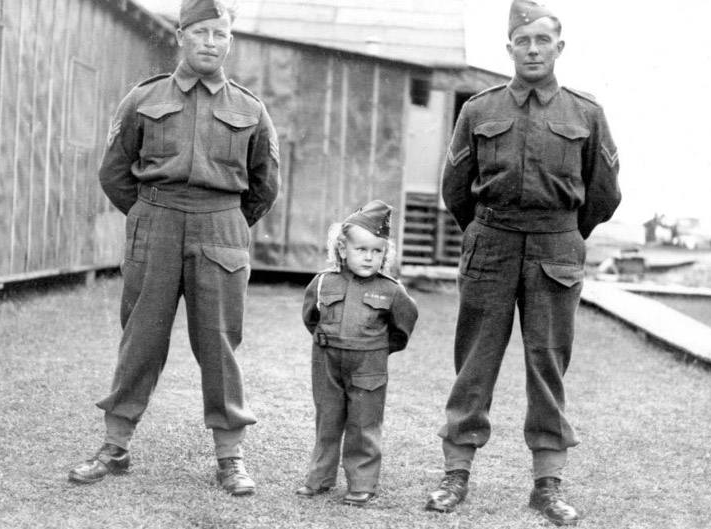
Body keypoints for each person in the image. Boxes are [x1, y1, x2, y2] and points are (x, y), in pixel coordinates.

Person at [67, 0, 280, 497]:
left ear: (230, 41)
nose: (211, 43)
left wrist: (223, 220)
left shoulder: (250, 109)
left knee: (220, 344)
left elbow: (264, 186)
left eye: (220, 35)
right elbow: (115, 173)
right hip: (156, 225)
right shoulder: (144, 98)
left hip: (221, 230)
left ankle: (231, 457)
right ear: (180, 35)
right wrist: (150, 215)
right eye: (201, 32)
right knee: (141, 337)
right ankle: (114, 446)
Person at [424, 0, 621, 525]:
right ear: (509, 47)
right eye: (522, 41)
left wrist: (562, 233)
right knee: (474, 363)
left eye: (542, 41)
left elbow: (603, 194)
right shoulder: (479, 110)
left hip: (556, 248)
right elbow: (456, 189)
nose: (532, 50)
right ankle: (455, 476)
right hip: (492, 242)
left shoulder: (586, 113)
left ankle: (548, 486)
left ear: (560, 47)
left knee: (548, 365)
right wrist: (489, 230)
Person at [296, 200, 419, 507]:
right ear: (341, 249)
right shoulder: (323, 282)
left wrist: (374, 348)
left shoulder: (392, 291)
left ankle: (362, 484)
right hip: (326, 362)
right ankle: (319, 479)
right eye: (361, 249)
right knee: (328, 420)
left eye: (377, 251)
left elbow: (402, 328)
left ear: (385, 254)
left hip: (369, 366)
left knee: (364, 425)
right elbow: (312, 317)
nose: (368, 257)